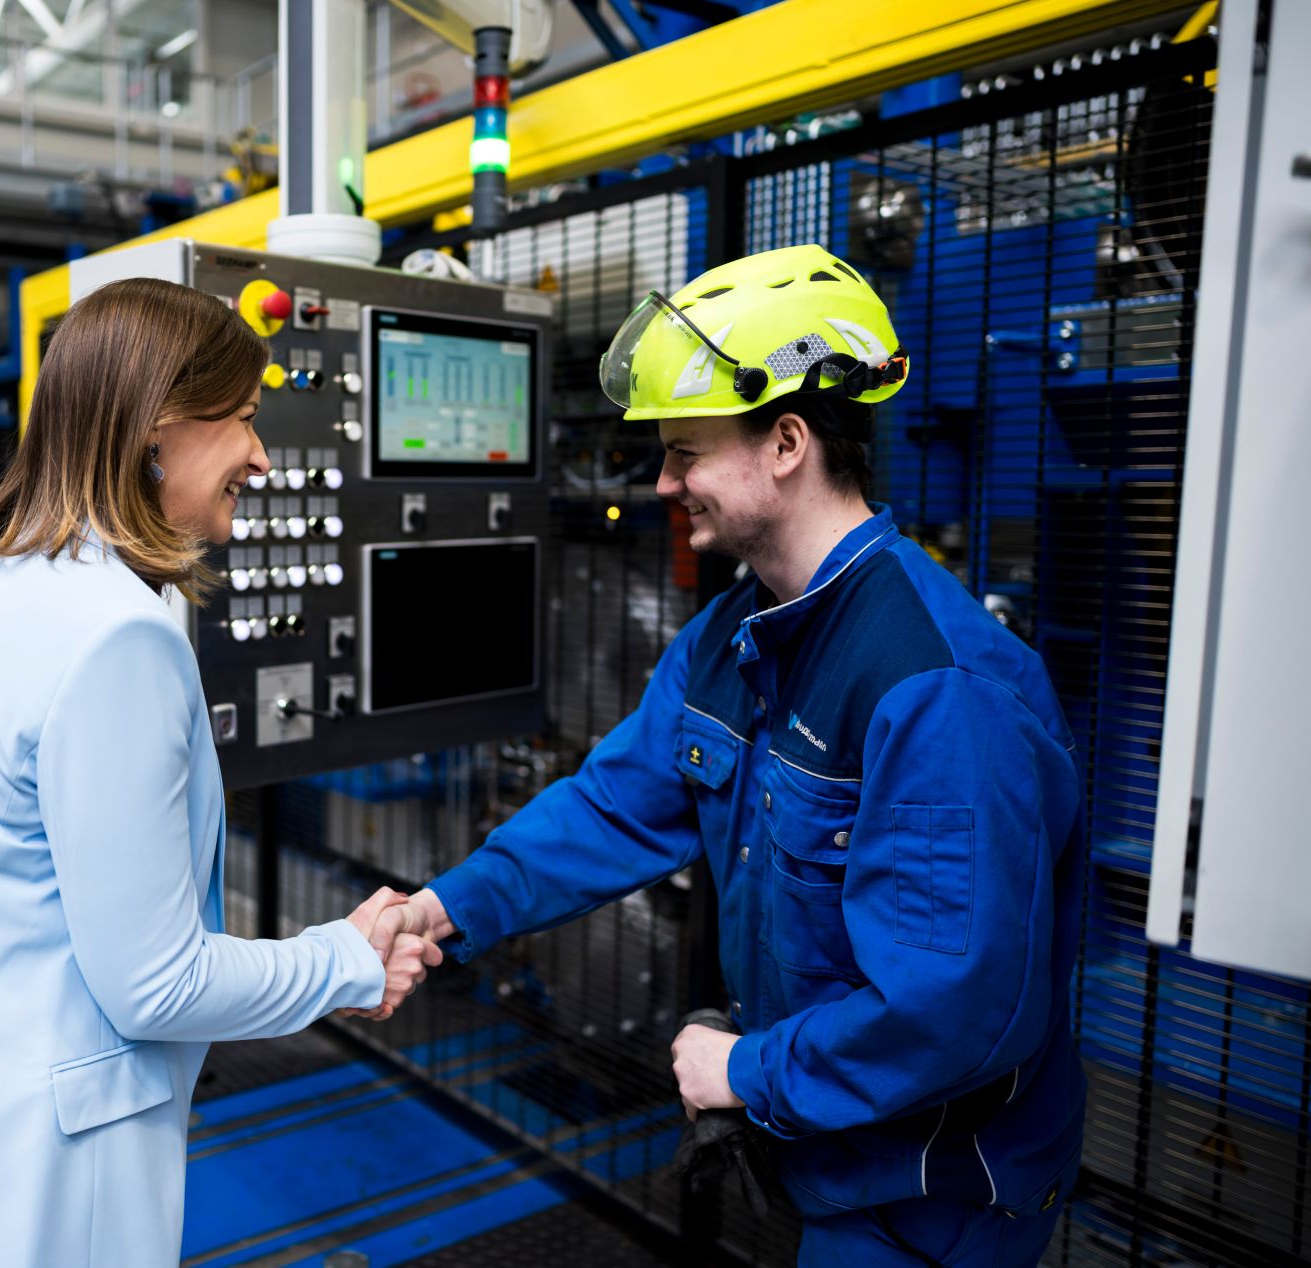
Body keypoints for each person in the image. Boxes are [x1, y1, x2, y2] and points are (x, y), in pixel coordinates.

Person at [370, 245, 1087, 1267]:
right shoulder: (732, 637)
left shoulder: (933, 688)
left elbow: (955, 1009)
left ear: (785, 441)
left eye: (685, 452)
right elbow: (614, 806)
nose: (663, 482)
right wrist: (448, 905)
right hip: (826, 1144)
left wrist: (744, 1071)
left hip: (931, 1189)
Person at [0, 278, 439, 1268]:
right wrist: (347, 958)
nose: (260, 453)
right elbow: (153, 983)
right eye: (241, 419)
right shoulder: (115, 639)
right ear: (158, 429)